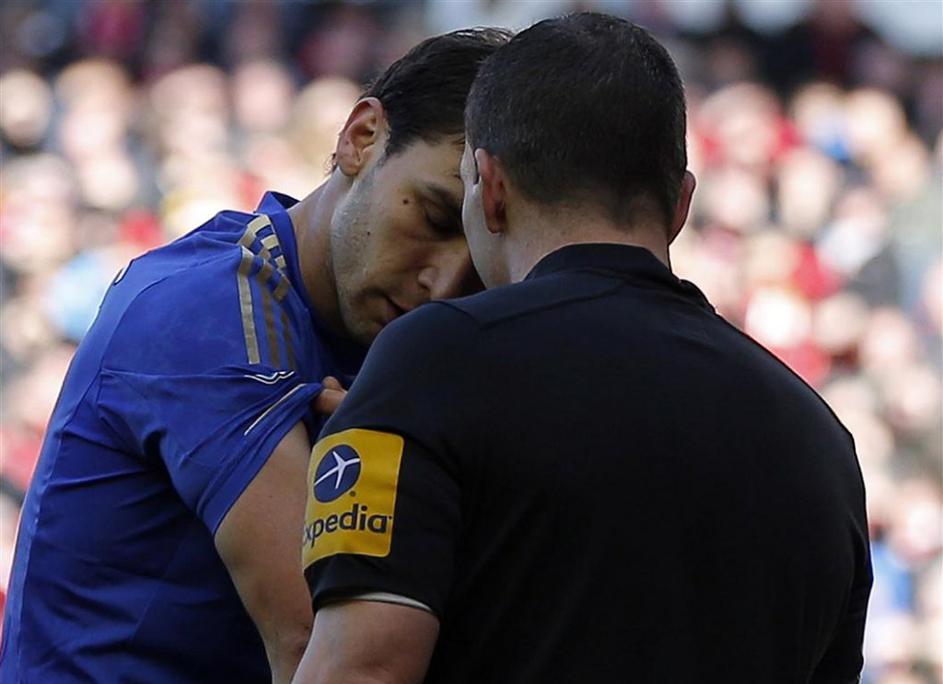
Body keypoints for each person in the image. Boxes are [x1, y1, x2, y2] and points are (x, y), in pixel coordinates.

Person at [294, 13, 872, 684]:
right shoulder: (819, 438)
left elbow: (359, 672)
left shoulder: (437, 362)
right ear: (680, 205)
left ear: (490, 188)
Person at [0, 28, 510, 684]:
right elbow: (329, 657)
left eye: (482, 266)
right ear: (361, 137)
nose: (442, 284)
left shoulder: (395, 340)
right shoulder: (207, 310)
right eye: (435, 218)